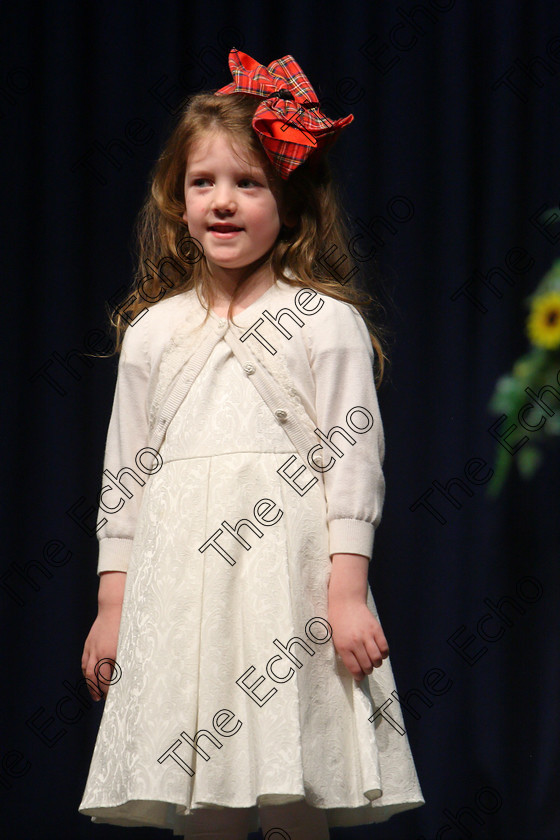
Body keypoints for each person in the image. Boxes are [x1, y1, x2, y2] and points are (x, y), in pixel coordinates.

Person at [78, 48, 424, 840]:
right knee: (203, 788)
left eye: (249, 183)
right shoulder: (155, 331)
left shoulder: (324, 321)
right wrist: (112, 603)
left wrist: (344, 591)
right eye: (204, 184)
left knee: (295, 772)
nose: (224, 203)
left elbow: (352, 462)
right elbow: (124, 473)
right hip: (182, 585)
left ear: (290, 202)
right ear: (177, 201)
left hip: (288, 582)